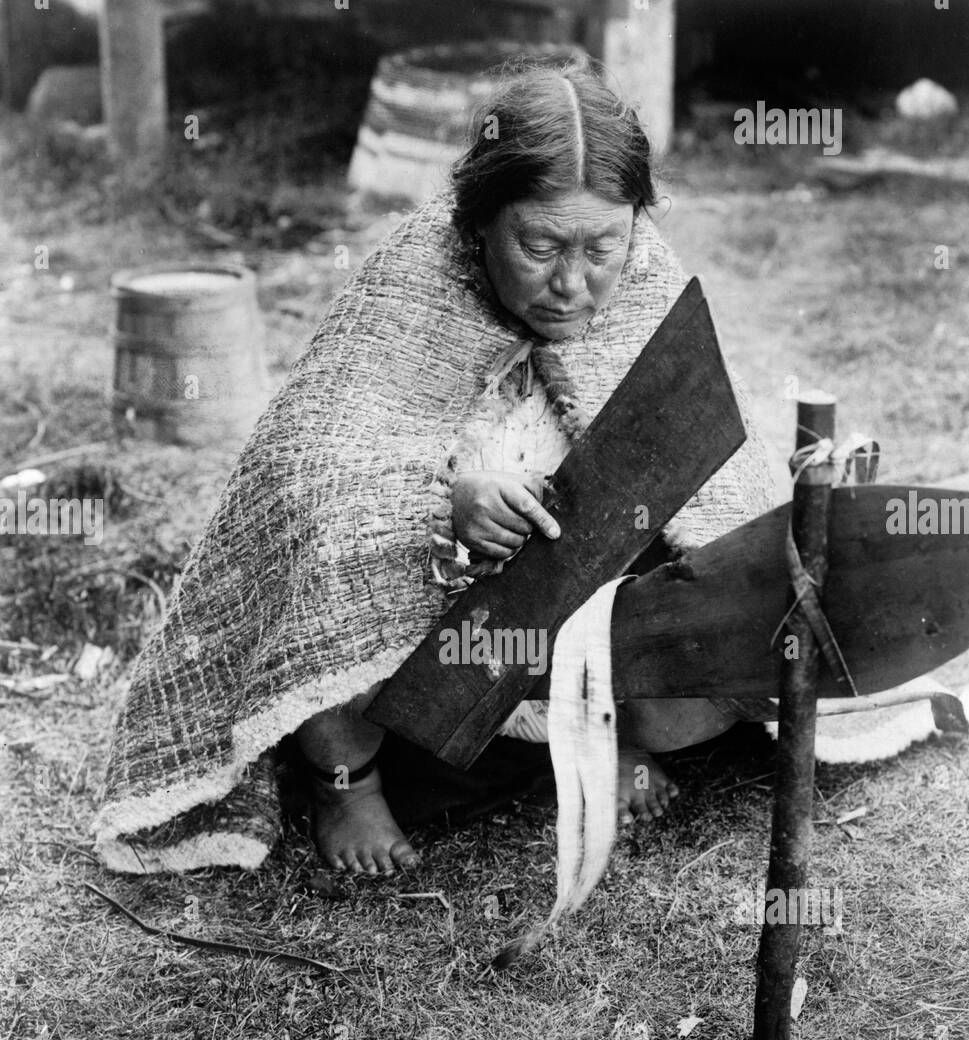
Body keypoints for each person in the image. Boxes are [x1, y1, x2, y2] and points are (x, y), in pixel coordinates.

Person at [95, 61, 775, 878]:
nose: (572, 283)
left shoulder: (638, 280)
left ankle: (608, 739)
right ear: (478, 223)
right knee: (330, 561)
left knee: (705, 671)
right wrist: (444, 503)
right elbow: (309, 474)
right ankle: (347, 782)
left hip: (577, 626)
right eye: (539, 246)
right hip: (422, 634)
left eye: (603, 247)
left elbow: (707, 470)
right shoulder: (414, 286)